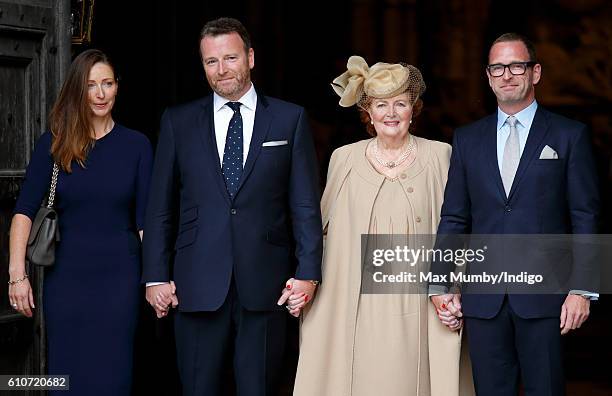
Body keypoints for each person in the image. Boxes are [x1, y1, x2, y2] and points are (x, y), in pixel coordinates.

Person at [141, 17, 323, 396]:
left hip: (267, 282)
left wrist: (308, 273)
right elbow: (160, 207)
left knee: (258, 388)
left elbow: (305, 204)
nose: (221, 70)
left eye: (230, 58)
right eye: (211, 61)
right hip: (195, 282)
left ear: (251, 57)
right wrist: (156, 276)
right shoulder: (178, 122)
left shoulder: (290, 119)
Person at [293, 55, 473, 396]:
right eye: (381, 105)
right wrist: (306, 279)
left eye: (400, 104)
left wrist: (453, 287)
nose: (391, 113)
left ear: (413, 109)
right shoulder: (343, 158)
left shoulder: (441, 156)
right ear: (368, 112)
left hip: (420, 301)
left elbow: (458, 228)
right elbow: (325, 233)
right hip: (356, 303)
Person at [430, 33, 599, 395]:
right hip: (483, 300)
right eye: (497, 67)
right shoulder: (467, 139)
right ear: (488, 76)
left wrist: (583, 289)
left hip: (546, 298)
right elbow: (455, 218)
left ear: (535, 72)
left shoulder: (570, 135)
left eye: (516, 66)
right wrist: (440, 284)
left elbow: (584, 215)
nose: (507, 75)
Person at [8, 49, 153, 395]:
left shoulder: (137, 146)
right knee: (67, 379)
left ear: (118, 87)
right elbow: (24, 211)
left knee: (114, 378)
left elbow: (146, 222)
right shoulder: (54, 145)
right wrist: (17, 275)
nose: (101, 94)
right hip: (66, 283)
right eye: (91, 85)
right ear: (78, 90)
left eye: (107, 83)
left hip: (120, 282)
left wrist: (157, 278)